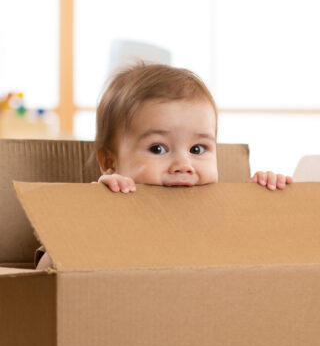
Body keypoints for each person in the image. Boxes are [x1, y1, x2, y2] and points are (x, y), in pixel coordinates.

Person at [36, 62, 293, 270]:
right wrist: (87, 217)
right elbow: (42, 278)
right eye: (157, 149)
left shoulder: (221, 216)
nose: (183, 165)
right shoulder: (94, 214)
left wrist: (264, 203)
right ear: (109, 162)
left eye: (197, 149)